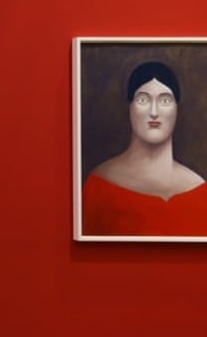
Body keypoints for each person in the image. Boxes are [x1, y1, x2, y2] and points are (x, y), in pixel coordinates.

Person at [82, 60, 207, 236]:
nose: (154, 111)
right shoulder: (99, 187)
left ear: (176, 109)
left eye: (165, 100)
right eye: (143, 99)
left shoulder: (201, 191)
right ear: (130, 107)